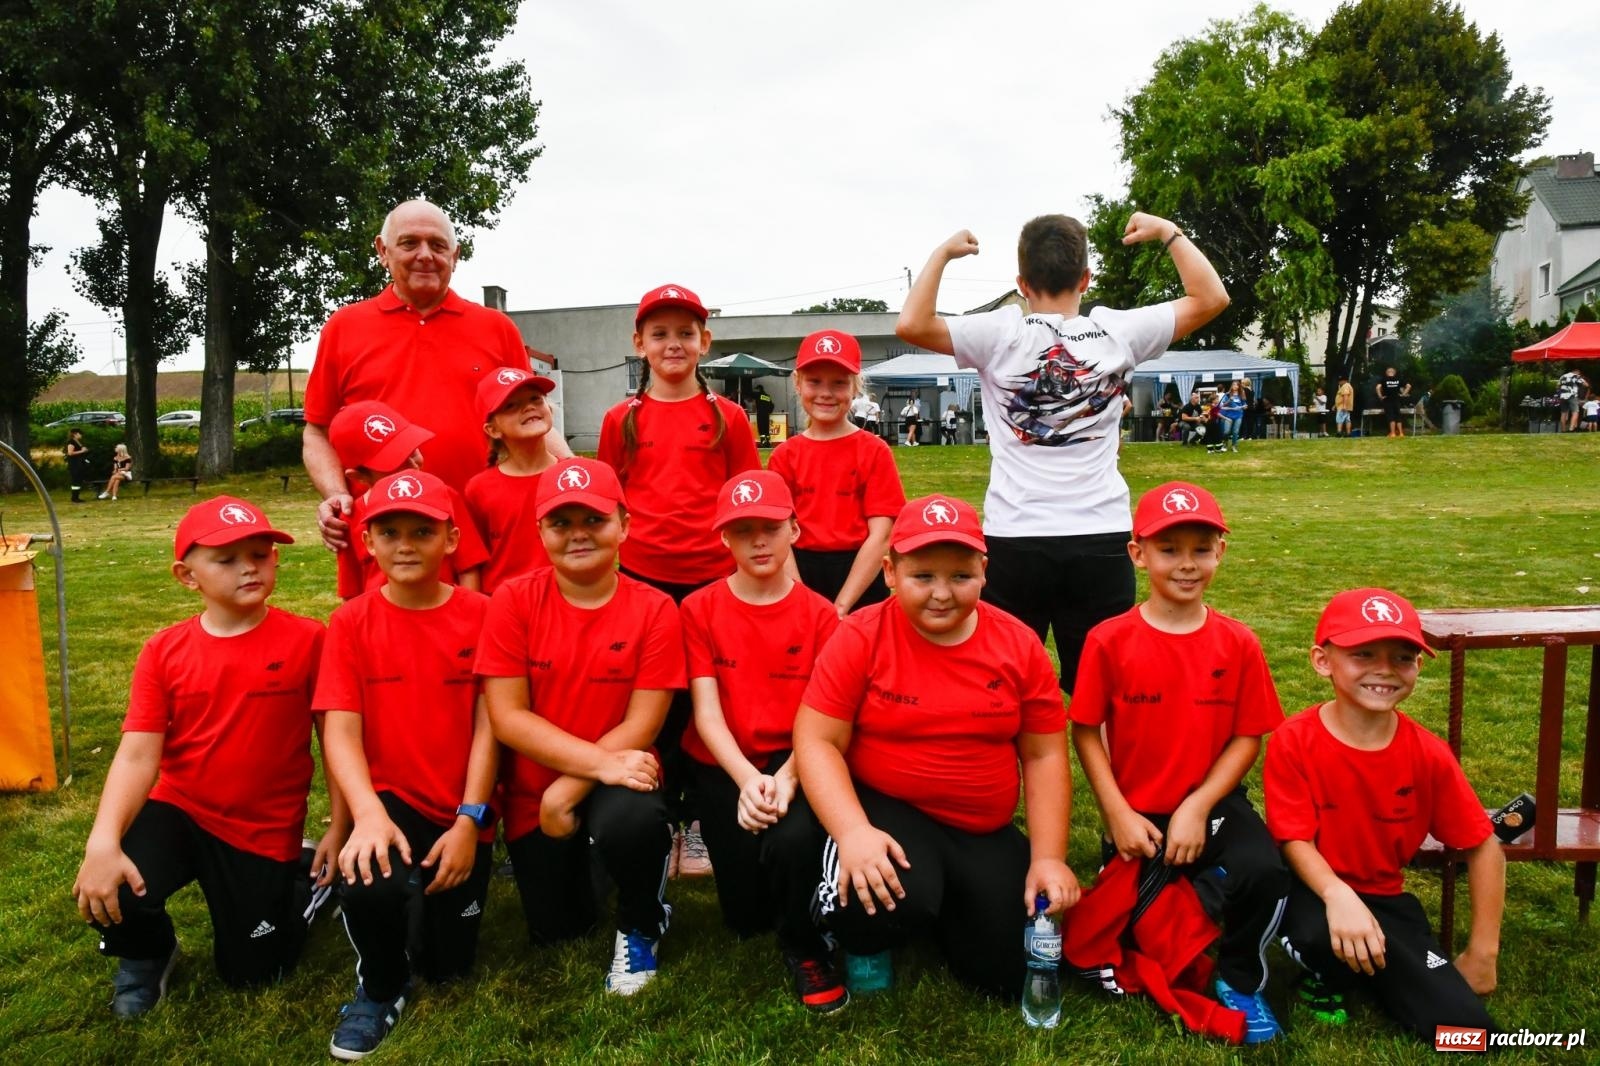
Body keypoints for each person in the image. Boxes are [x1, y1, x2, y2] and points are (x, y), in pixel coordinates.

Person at [895, 211, 1228, 692]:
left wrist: (942, 255)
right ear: (1086, 279)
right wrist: (1169, 232)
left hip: (1016, 536)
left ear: (1022, 284)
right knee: (1101, 690)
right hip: (1099, 535)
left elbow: (911, 323)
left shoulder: (1001, 332)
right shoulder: (1119, 331)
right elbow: (1211, 298)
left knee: (1004, 684)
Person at [793, 494, 1080, 997]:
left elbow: (1044, 754)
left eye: (960, 576)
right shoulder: (861, 635)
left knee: (1008, 975)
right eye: (922, 576)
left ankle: (948, 905)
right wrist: (853, 832)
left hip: (977, 825)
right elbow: (816, 741)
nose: (941, 593)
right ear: (890, 572)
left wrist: (1048, 857)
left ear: (984, 571)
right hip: (886, 806)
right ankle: (862, 937)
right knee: (895, 896)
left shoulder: (1018, 645)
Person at [71, 496, 333, 1017]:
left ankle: (304, 886)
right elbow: (137, 755)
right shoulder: (163, 651)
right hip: (183, 809)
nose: (249, 568)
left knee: (254, 973)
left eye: (260, 554)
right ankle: (148, 953)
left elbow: (336, 741)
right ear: (187, 576)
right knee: (114, 884)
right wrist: (102, 841)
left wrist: (342, 825)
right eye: (227, 559)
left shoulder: (309, 640)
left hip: (262, 829)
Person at [1070, 481, 1288, 1042]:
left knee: (1265, 871)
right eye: (1169, 550)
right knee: (1129, 934)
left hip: (1213, 804)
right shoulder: (1108, 640)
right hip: (1139, 814)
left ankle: (1240, 979)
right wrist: (1116, 813)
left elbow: (1248, 737)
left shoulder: (1238, 643)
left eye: (1201, 549)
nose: (1187, 564)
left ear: (1221, 552)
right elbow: (1086, 731)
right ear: (1138, 554)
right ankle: (1198, 890)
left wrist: (1199, 804)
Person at [477, 457, 683, 994]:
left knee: (631, 822)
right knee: (558, 930)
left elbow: (644, 722)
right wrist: (562, 788)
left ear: (624, 525)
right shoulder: (512, 601)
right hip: (538, 789)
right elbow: (507, 716)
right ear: (540, 531)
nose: (578, 534)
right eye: (561, 522)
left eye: (594, 519)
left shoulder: (656, 608)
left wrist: (566, 791)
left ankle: (642, 921)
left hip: (622, 772)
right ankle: (598, 862)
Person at [1265, 587, 1504, 1042]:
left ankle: (1368, 966)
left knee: (1465, 1032)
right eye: (1363, 654)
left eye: (1402, 657)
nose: (1385, 670)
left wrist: (1482, 953)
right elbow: (1295, 839)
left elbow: (1484, 845)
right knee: (1319, 938)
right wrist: (1337, 896)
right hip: (1311, 890)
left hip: (1385, 899)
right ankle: (1326, 975)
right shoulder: (1293, 740)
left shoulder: (1428, 754)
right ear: (1322, 661)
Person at [317, 470, 496, 1060]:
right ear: (367, 542)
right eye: (389, 532)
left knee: (449, 967)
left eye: (422, 531)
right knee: (371, 883)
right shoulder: (350, 622)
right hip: (387, 800)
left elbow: (491, 726)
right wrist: (364, 815)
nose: (405, 545)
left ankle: (416, 898)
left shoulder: (484, 614)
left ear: (451, 540)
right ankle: (379, 987)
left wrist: (469, 820)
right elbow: (340, 731)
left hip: (461, 804)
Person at [597, 284, 761, 876]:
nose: (674, 344)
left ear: (704, 342)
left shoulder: (728, 417)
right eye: (660, 334)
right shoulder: (622, 419)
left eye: (685, 333)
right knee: (655, 706)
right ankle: (659, 818)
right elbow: (610, 499)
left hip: (713, 582)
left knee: (709, 701)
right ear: (639, 343)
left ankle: (698, 824)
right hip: (645, 582)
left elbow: (747, 500)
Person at [302, 199, 570, 555]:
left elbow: (532, 419)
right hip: (389, 532)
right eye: (409, 243)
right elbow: (317, 431)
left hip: (484, 524)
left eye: (438, 245)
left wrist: (573, 473)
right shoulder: (344, 328)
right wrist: (336, 495)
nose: (425, 255)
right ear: (383, 251)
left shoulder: (496, 328)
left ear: (455, 256)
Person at [680, 471, 846, 1013]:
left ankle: (806, 944)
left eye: (770, 528)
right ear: (723, 538)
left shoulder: (821, 616)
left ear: (794, 530)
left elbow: (823, 718)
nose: (758, 542)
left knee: (792, 842)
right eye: (742, 530)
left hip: (794, 756)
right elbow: (706, 712)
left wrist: (785, 777)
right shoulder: (698, 608)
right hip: (726, 763)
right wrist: (748, 780)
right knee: (744, 919)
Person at [766, 330, 906, 616]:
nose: (826, 393)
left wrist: (841, 606)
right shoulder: (785, 456)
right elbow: (778, 533)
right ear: (797, 383)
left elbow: (881, 535)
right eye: (814, 381)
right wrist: (802, 600)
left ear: (855, 387)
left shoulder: (874, 451)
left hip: (860, 576)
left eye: (839, 383)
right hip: (799, 574)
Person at [327, 400, 488, 600]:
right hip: (381, 620)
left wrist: (468, 614)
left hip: (443, 615)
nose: (413, 464)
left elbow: (469, 567)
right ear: (359, 477)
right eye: (395, 462)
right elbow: (351, 592)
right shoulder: (350, 518)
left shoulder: (446, 496)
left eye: (413, 451)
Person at [464, 367, 561, 595]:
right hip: (503, 604)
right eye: (511, 405)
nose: (528, 407)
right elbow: (472, 563)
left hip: (562, 602)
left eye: (535, 399)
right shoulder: (479, 489)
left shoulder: (570, 477)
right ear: (492, 429)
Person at [1376, 367, 1406, 438]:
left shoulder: (1383, 379)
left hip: (1388, 400)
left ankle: (1393, 433)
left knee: (1391, 416)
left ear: (1387, 373)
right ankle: (1401, 433)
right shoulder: (1399, 379)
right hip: (1397, 400)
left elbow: (1377, 387)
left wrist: (1380, 396)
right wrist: (1403, 394)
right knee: (1398, 416)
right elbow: (1409, 386)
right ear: (1394, 373)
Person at [1557, 367, 1589, 432]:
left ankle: (1563, 430)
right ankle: (1571, 429)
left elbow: (1558, 386)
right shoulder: (1575, 376)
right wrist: (1581, 382)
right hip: (1572, 396)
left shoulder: (1562, 376)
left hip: (1562, 396)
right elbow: (1586, 385)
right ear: (1577, 372)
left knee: (1563, 413)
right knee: (1575, 412)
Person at [1218, 382, 1246, 453]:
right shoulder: (1227, 394)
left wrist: (1244, 406)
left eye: (1236, 385)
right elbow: (1222, 405)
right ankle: (1225, 444)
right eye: (1233, 384)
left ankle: (1234, 446)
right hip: (1229, 415)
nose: (1235, 386)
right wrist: (1229, 400)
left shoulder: (1241, 395)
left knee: (1235, 431)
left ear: (1239, 387)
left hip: (1238, 415)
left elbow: (1244, 404)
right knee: (1226, 431)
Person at [65, 428, 91, 503]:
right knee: (75, 481)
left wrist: (84, 450)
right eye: (80, 434)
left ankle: (76, 496)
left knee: (78, 480)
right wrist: (82, 451)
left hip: (79, 463)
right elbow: (70, 453)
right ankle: (74, 497)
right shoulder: (71, 442)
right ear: (75, 434)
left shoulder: (78, 442)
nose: (81, 435)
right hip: (74, 464)